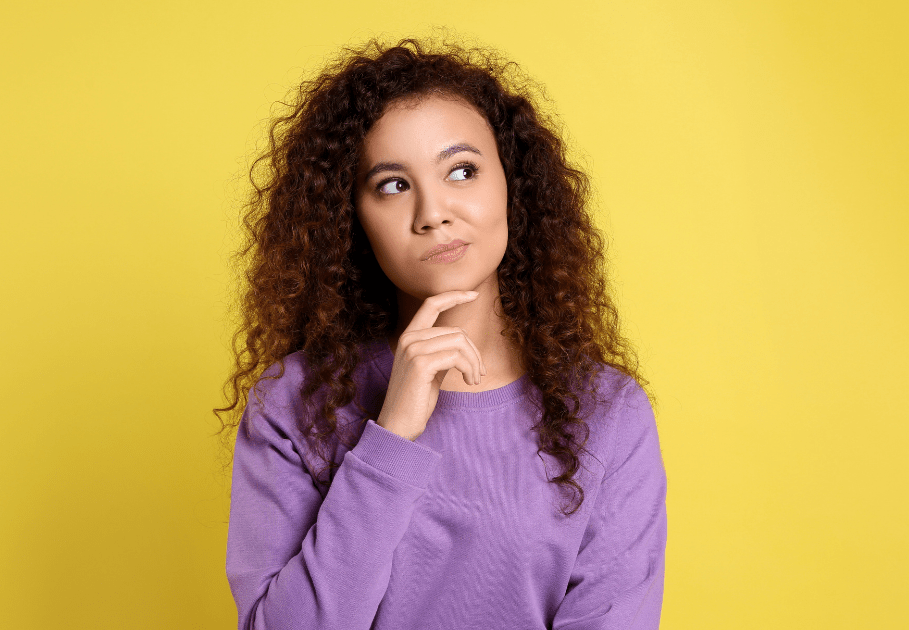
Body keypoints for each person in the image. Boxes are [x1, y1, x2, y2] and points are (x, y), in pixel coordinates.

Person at [217, 37, 667, 630]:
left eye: (462, 171)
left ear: (513, 183)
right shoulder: (293, 401)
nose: (433, 212)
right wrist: (392, 437)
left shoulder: (607, 414)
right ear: (351, 219)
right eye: (393, 185)